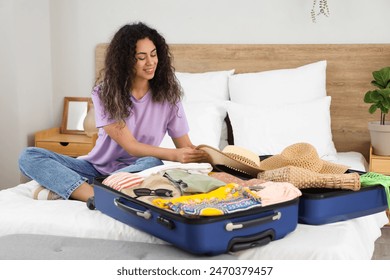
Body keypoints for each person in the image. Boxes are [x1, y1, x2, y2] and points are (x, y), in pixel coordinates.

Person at [18, 22, 207, 202]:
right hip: (95, 169)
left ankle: (76, 190)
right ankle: (96, 196)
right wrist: (174, 155)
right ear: (125, 61)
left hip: (137, 170)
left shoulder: (169, 97)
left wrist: (208, 156)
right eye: (141, 57)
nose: (150, 62)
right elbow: (131, 146)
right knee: (29, 156)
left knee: (152, 162)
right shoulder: (105, 93)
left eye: (153, 54)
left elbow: (186, 146)